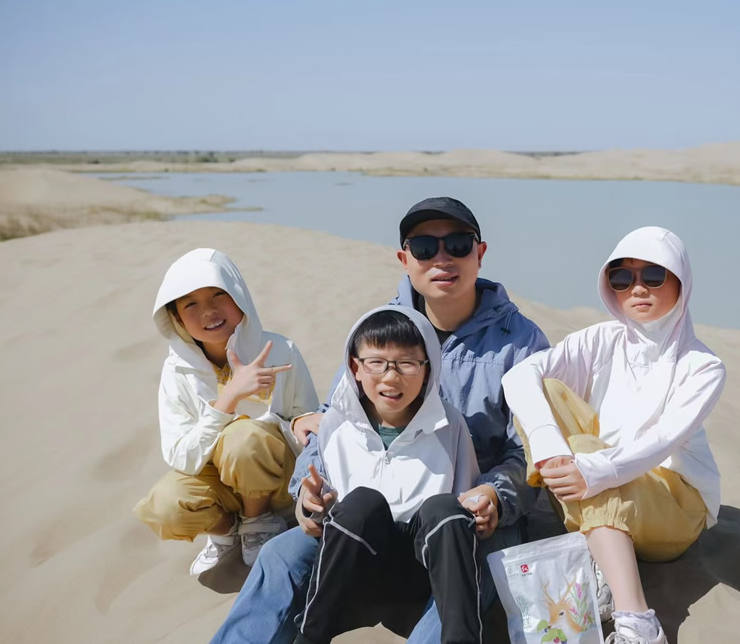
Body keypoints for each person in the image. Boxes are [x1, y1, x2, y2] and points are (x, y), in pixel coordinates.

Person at [213, 198, 549, 643]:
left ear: (480, 253)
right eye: (425, 247)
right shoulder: (378, 330)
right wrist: (307, 497)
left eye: (457, 244)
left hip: (465, 516)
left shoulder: (521, 342)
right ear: (404, 259)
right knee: (280, 557)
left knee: (466, 572)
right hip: (364, 510)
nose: (442, 258)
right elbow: (336, 419)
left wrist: (495, 495)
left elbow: (534, 448)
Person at [502, 227, 726, 644]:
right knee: (545, 391)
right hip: (599, 487)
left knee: (589, 459)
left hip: (676, 508)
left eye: (653, 275)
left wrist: (593, 469)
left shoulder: (702, 366)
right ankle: (602, 555)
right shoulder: (602, 339)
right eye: (622, 278)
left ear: (681, 281)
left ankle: (639, 625)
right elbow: (519, 376)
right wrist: (551, 444)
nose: (637, 288)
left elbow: (663, 439)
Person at [297, 306, 481, 644]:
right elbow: (331, 515)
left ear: (427, 370)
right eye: (376, 363)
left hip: (422, 572)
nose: (391, 377)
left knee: (445, 509)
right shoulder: (335, 424)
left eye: (407, 364)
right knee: (362, 503)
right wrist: (314, 505)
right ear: (355, 367)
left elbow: (462, 502)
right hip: (357, 569)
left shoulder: (450, 424)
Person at [133, 248, 319, 574]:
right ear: (176, 318)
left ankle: (259, 520)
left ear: (239, 296)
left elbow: (308, 422)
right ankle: (229, 531)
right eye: (191, 304)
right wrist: (228, 399)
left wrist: (298, 421)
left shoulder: (280, 349)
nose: (209, 311)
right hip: (224, 489)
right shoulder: (176, 372)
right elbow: (181, 457)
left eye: (219, 294)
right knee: (165, 504)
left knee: (243, 436)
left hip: (280, 486)